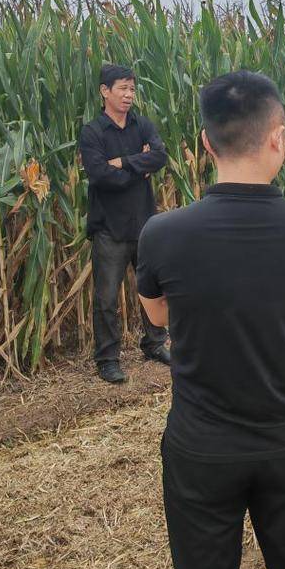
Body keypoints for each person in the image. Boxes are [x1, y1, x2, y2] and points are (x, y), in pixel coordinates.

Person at [136, 71, 285, 569]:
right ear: (279, 137)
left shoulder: (162, 233)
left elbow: (159, 316)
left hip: (202, 446)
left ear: (205, 143)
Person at [79, 64, 171, 384]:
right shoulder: (92, 132)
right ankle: (107, 359)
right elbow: (100, 176)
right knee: (106, 298)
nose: (129, 95)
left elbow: (160, 156)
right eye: (123, 88)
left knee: (152, 289)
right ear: (105, 91)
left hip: (144, 223)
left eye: (132, 89)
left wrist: (124, 162)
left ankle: (155, 343)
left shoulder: (141, 125)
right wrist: (139, 170)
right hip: (110, 228)